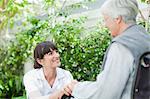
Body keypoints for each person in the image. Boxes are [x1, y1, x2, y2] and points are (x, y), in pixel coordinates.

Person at [63, 0, 150, 99]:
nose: (105, 25)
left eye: (106, 19)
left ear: (118, 19)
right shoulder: (146, 39)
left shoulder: (122, 46)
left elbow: (105, 94)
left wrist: (76, 88)